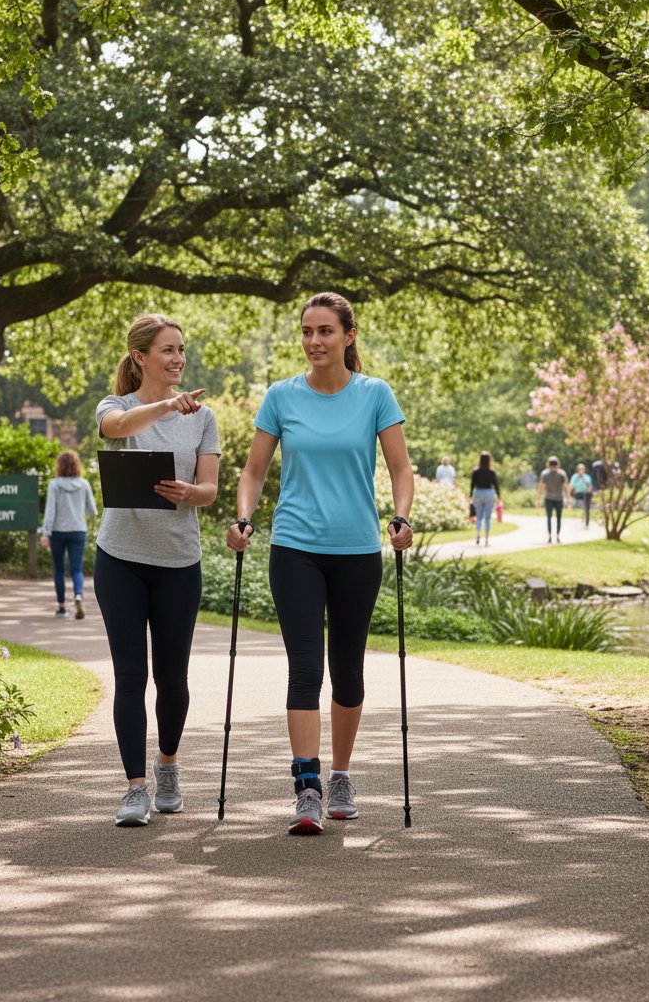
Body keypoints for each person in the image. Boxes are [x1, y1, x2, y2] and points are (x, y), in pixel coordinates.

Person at [226, 291, 413, 836]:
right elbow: (254, 471)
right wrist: (244, 517)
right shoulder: (281, 397)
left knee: (348, 671)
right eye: (307, 331)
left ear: (348, 336)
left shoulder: (375, 394)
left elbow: (401, 468)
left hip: (357, 549)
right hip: (295, 548)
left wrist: (400, 519)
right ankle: (306, 787)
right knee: (306, 668)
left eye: (325, 331)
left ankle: (341, 774)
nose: (314, 341)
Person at [95, 313, 220, 827]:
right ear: (140, 357)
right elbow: (115, 429)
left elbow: (210, 488)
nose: (177, 359)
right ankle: (134, 789)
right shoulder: (117, 406)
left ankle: (167, 765)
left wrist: (192, 493)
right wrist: (165, 404)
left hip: (177, 562)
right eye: (167, 350)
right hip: (120, 560)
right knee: (131, 676)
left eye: (181, 350)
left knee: (171, 678)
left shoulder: (203, 417)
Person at [40, 450, 97, 618]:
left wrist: (45, 533)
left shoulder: (54, 484)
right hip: (78, 530)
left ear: (59, 466)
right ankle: (78, 595)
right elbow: (92, 511)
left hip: (58, 531)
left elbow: (50, 510)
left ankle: (62, 607)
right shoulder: (84, 484)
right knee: (76, 568)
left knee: (59, 569)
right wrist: (82, 514)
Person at [469, 451, 500, 546]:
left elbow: (472, 485)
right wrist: (499, 496)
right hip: (489, 493)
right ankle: (486, 538)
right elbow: (496, 484)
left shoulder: (476, 471)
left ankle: (478, 533)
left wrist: (470, 496)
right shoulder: (492, 471)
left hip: (478, 492)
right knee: (487, 517)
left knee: (479, 517)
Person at [536, 456, 570, 543]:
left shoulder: (545, 474)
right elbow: (566, 487)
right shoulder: (562, 473)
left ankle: (550, 536)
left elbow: (541, 488)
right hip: (558, 498)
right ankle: (557, 535)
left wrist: (538, 499)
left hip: (549, 498)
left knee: (549, 518)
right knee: (558, 518)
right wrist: (568, 499)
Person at [569, 462, 593, 529]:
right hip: (578, 494)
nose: (581, 470)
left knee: (587, 495)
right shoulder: (574, 477)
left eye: (582, 469)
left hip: (586, 494)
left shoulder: (587, 477)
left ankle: (587, 522)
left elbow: (590, 486)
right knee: (585, 495)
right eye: (579, 469)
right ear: (577, 470)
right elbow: (571, 486)